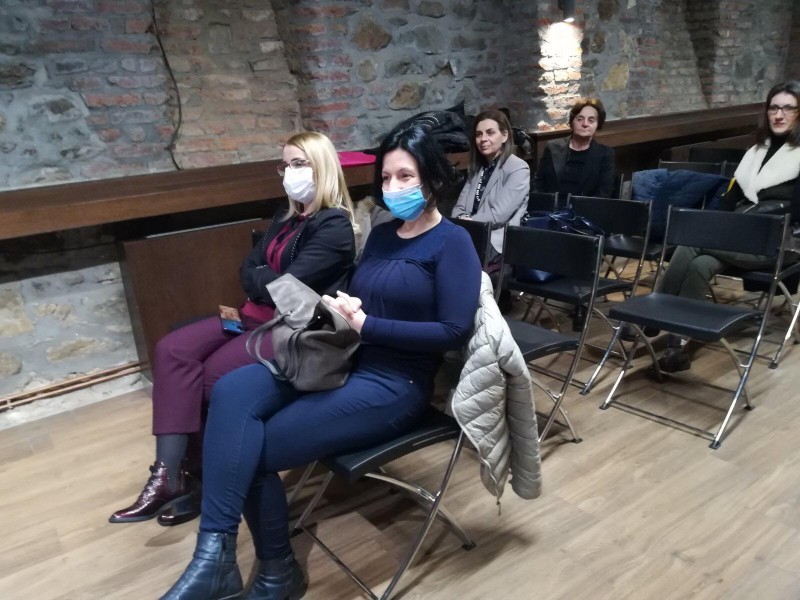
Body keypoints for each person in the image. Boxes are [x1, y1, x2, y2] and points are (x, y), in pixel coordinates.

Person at [158, 123, 482, 600]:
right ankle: (214, 555)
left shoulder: (452, 242)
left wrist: (368, 325)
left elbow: (454, 332)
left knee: (253, 448)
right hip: (342, 358)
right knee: (230, 389)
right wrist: (342, 306)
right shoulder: (383, 235)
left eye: (405, 177)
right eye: (386, 178)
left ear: (432, 179)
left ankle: (276, 572)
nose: (393, 187)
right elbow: (358, 294)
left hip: (395, 383)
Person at [109, 132, 357, 527]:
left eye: (299, 164)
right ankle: (170, 475)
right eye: (285, 165)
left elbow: (285, 287)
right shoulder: (286, 215)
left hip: (290, 329)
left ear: (322, 167)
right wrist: (264, 278)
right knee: (172, 348)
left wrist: (262, 278)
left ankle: (200, 479)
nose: (289, 173)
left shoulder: (334, 225)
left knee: (209, 378)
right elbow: (248, 268)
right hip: (250, 314)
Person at [650, 80, 800, 373]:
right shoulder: (756, 151)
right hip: (739, 236)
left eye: (788, 108)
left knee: (691, 242)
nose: (779, 115)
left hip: (777, 241)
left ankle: (653, 314)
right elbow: (729, 202)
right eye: (774, 108)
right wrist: (718, 226)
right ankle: (677, 345)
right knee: (699, 264)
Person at [452, 108, 530, 263]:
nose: (483, 139)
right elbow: (458, 208)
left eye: (490, 133)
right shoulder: (477, 169)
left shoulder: (518, 168)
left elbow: (497, 216)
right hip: (470, 234)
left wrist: (468, 223)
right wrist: (462, 220)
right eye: (478, 134)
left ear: (504, 135)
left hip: (496, 241)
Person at [533, 97, 616, 198]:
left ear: (598, 125)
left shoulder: (605, 154)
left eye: (591, 120)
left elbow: (604, 192)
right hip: (552, 206)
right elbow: (538, 183)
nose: (585, 124)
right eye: (580, 119)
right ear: (572, 122)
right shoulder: (552, 147)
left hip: (586, 207)